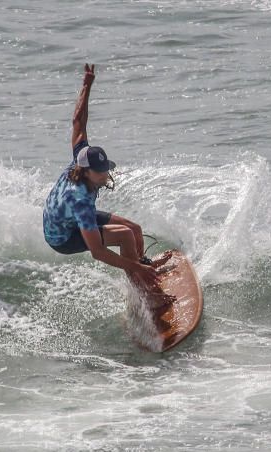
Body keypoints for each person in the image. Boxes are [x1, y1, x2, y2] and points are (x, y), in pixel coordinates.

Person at [43, 64, 174, 309]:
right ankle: (144, 291)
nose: (106, 175)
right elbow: (98, 253)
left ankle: (141, 269)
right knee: (124, 236)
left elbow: (77, 121)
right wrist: (137, 268)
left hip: (68, 217)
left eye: (106, 170)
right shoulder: (79, 199)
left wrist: (87, 85)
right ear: (86, 171)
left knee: (133, 229)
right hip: (62, 236)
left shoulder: (81, 156)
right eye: (101, 172)